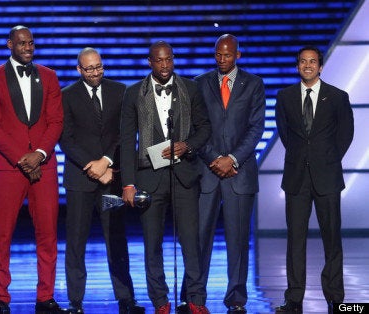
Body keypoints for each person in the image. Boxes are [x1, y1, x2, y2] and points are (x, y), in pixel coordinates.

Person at [0, 25, 67, 314]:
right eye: (21, 43)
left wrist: (39, 154)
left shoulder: (50, 76)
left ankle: (46, 297)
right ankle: (1, 298)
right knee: (2, 234)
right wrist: (22, 158)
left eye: (31, 43)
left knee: (48, 233)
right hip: (8, 166)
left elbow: (56, 121)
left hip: (44, 165)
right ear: (9, 45)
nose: (28, 47)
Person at [120, 41, 211, 314]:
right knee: (152, 243)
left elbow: (204, 128)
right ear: (150, 62)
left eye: (168, 60)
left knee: (191, 242)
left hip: (184, 175)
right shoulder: (134, 93)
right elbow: (126, 141)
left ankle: (196, 299)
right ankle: (160, 301)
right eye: (159, 61)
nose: (164, 65)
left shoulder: (190, 89)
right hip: (149, 177)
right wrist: (128, 183)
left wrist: (188, 145)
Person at [182, 34, 266, 313]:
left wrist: (232, 159)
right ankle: (194, 296)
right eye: (218, 54)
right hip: (206, 171)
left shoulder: (254, 84)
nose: (222, 59)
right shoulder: (199, 83)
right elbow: (194, 128)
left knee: (238, 239)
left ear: (238, 56)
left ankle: (236, 299)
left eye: (227, 55)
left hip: (239, 174)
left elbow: (256, 128)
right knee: (198, 238)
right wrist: (214, 158)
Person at [60, 47, 145, 314]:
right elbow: (66, 138)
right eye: (89, 69)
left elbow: (126, 133)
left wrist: (106, 161)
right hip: (80, 181)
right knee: (76, 240)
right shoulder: (66, 96)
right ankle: (75, 301)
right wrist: (93, 166)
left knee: (116, 238)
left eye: (99, 67)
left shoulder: (120, 91)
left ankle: (125, 298)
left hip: (111, 179)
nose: (95, 72)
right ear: (79, 70)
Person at [274, 46, 353, 313]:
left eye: (313, 61)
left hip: (327, 176)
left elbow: (345, 134)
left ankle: (335, 297)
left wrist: (326, 159)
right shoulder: (284, 97)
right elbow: (285, 134)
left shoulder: (338, 97)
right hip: (296, 177)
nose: (308, 65)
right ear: (298, 66)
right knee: (295, 239)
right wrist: (303, 157)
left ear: (320, 66)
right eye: (303, 62)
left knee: (332, 237)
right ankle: (294, 298)